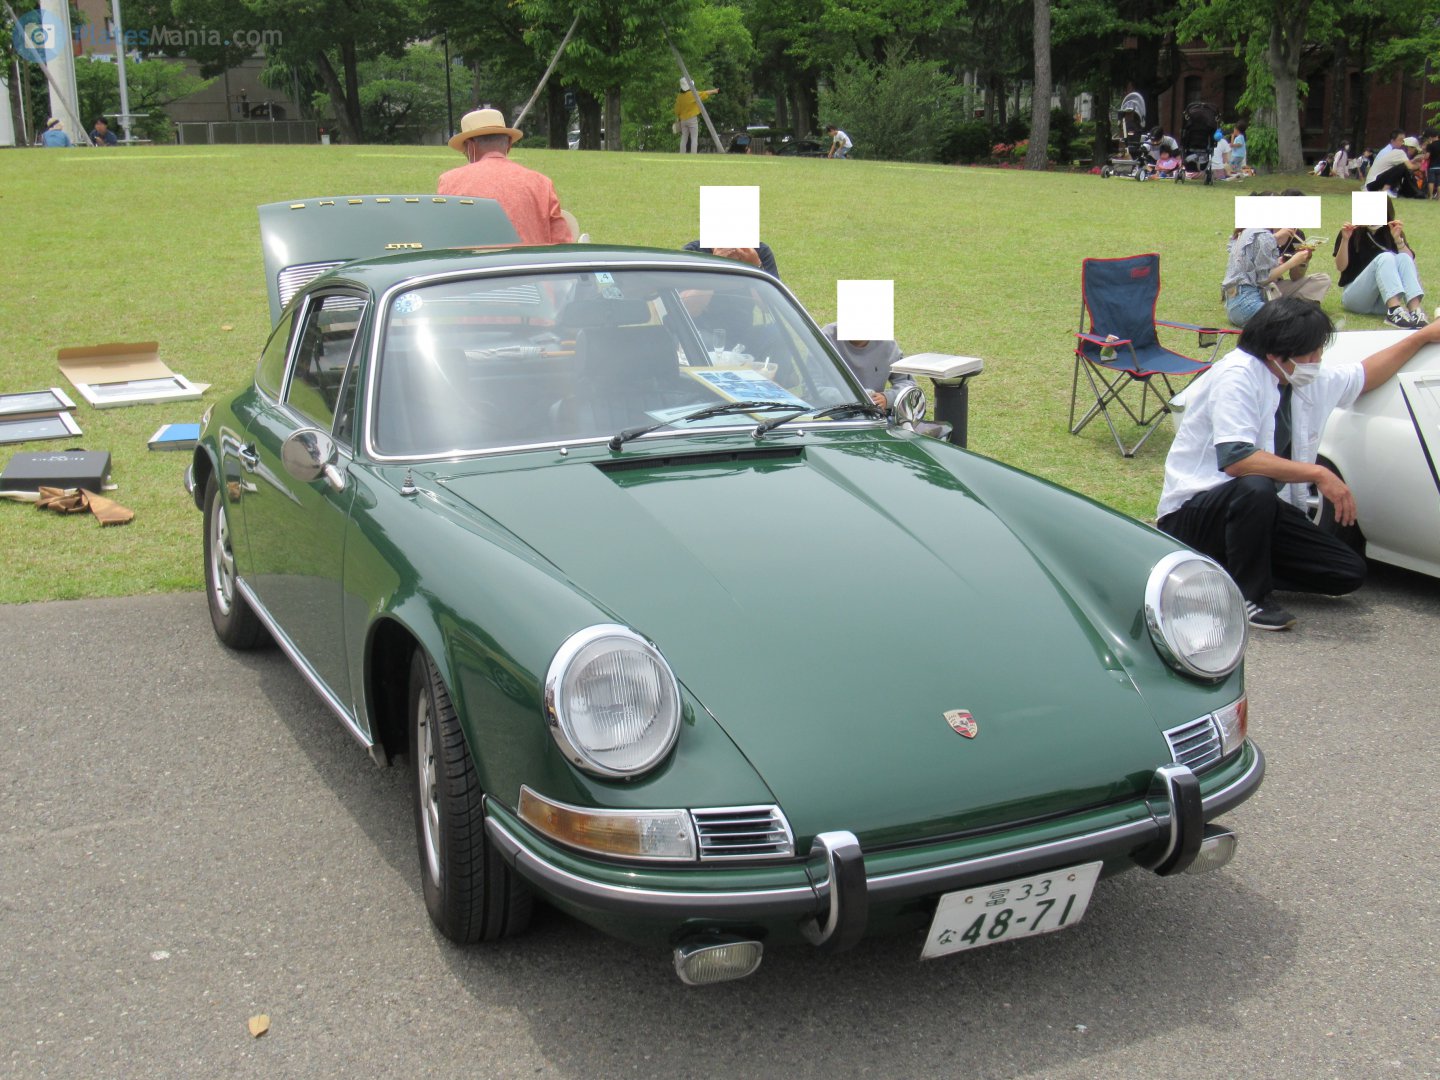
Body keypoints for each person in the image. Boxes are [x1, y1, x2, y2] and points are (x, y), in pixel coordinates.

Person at [1157, 298, 1440, 630]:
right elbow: (1237, 460)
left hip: (1256, 514)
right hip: (1194, 514)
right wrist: (1319, 473)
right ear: (1276, 355)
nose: (1317, 361)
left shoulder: (1300, 379)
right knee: (1256, 485)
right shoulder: (1237, 376)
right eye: (1310, 354)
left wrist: (1421, 337)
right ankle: (1250, 599)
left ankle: (1216, 574)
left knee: (1346, 572)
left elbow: (1363, 376)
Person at [437, 108, 570, 246]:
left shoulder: (450, 181)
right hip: (531, 266)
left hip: (476, 266)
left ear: (471, 147)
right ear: (508, 144)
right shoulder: (542, 183)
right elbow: (562, 244)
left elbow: (443, 240)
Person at [1222, 215, 1330, 326]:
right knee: (1297, 321)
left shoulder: (1247, 233)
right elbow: (1263, 279)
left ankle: (1285, 306)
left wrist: (1303, 260)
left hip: (1237, 301)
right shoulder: (1263, 236)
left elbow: (1295, 277)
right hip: (1250, 300)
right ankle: (1289, 307)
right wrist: (1291, 262)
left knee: (1321, 280)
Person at [1333, 201, 1427, 326]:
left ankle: (1415, 311)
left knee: (1403, 257)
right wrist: (1345, 239)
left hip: (1383, 301)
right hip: (1356, 299)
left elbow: (1409, 262)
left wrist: (1398, 240)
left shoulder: (1391, 231)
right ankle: (1394, 312)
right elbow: (1340, 266)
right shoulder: (1351, 232)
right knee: (1386, 257)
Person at [819, 325, 917, 411]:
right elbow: (811, 389)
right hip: (830, 415)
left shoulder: (887, 344)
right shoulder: (826, 338)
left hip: (870, 416)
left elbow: (908, 385)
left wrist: (887, 398)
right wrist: (856, 398)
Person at [1364, 130, 1423, 198]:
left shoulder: (1395, 152)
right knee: (1402, 167)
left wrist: (1414, 160)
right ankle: (1386, 189)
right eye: (1415, 150)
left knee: (1402, 168)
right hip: (1373, 184)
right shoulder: (1400, 153)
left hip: (1372, 183)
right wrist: (1420, 165)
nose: (1415, 152)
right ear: (1410, 147)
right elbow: (1410, 167)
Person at [681, 240, 779, 280]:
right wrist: (714, 265)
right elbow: (689, 309)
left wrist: (756, 267)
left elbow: (769, 307)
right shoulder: (693, 254)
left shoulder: (760, 252)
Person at [673, 78, 718, 154]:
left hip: (683, 120)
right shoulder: (692, 94)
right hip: (692, 119)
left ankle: (681, 154)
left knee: (684, 138)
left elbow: (677, 110)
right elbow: (704, 93)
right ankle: (693, 154)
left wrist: (678, 117)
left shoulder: (679, 96)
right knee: (694, 138)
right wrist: (715, 91)